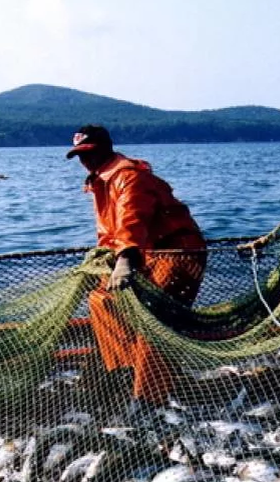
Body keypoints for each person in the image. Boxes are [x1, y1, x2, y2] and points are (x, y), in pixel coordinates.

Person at [69, 125, 206, 405]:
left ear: (106, 149)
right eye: (80, 155)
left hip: (178, 253)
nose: (86, 160)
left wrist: (125, 259)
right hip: (145, 254)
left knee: (155, 319)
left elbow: (132, 220)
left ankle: (149, 399)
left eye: (91, 153)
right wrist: (106, 260)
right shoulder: (99, 181)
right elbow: (110, 232)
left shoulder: (129, 177)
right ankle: (129, 372)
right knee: (102, 299)